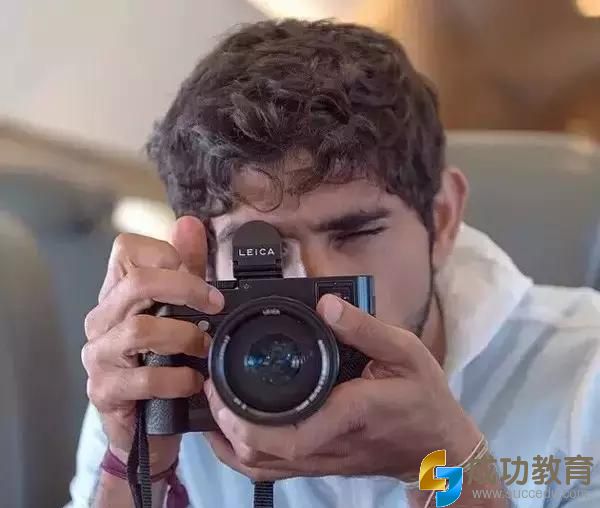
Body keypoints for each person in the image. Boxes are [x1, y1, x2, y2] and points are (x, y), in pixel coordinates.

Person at [68, 19, 600, 508]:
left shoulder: (585, 379)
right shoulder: (165, 364)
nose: (317, 284)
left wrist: (445, 462)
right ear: (201, 254)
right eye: (261, 249)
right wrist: (135, 465)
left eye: (355, 233)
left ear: (441, 219)